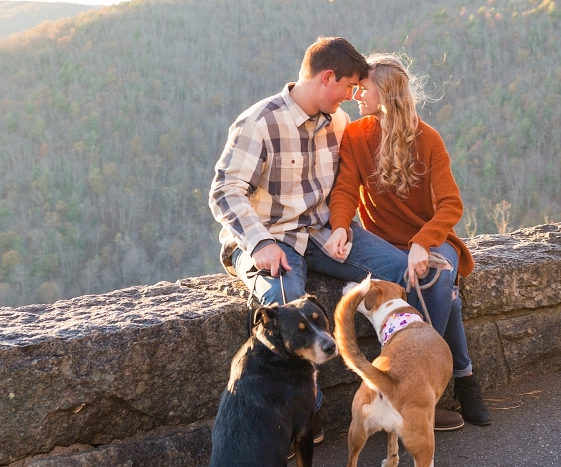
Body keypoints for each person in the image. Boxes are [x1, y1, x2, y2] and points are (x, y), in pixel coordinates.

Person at [209, 35, 370, 441]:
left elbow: (341, 188)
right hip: (269, 238)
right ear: (327, 77)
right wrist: (260, 243)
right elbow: (225, 191)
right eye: (349, 86)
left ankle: (403, 397)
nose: (351, 97)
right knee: (282, 308)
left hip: (323, 233)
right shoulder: (259, 121)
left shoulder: (338, 122)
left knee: (399, 270)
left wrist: (340, 227)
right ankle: (303, 419)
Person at [325, 53, 492, 428]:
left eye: (362, 88)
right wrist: (340, 225)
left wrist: (423, 240)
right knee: (444, 292)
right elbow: (345, 190)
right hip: (384, 244)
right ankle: (462, 378)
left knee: (437, 273)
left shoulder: (428, 139)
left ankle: (422, 389)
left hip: (431, 238)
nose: (355, 95)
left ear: (384, 92)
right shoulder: (355, 135)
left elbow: (450, 204)